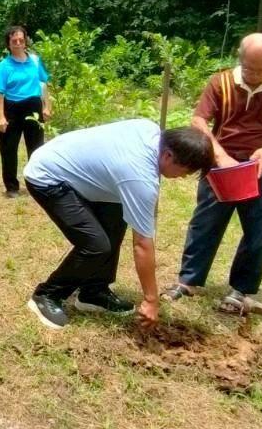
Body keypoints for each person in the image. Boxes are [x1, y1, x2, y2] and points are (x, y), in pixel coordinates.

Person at [165, 32, 262, 314]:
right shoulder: (221, 82)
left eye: (261, 70)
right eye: (248, 68)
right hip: (220, 161)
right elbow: (199, 119)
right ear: (240, 58)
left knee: (258, 228)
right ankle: (188, 281)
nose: (254, 76)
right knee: (205, 221)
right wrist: (219, 155)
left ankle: (240, 290)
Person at [23, 120, 214, 329]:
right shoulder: (140, 177)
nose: (183, 177)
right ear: (168, 155)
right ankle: (47, 295)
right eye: (186, 171)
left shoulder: (150, 129)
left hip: (72, 165)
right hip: (48, 175)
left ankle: (93, 292)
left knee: (114, 224)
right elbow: (142, 244)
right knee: (96, 246)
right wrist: (151, 299)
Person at [0, 25, 52, 197]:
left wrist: (47, 106)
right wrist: (1, 117)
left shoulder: (35, 60)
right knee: (9, 149)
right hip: (12, 108)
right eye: (14, 41)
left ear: (25, 41)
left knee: (36, 148)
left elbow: (44, 84)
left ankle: (38, 184)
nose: (18, 43)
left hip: (33, 107)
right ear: (8, 44)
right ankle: (11, 187)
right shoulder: (4, 66)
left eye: (21, 40)